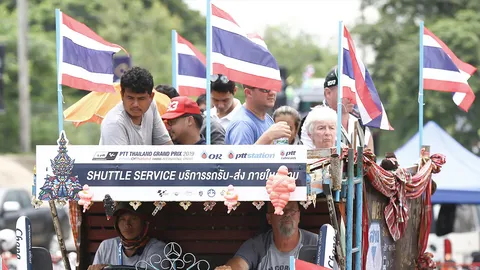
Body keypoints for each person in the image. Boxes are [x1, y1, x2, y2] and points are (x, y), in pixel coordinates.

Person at [215, 202, 318, 270]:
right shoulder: (257, 245)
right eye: (280, 209)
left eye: (292, 210)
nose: (287, 214)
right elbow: (239, 264)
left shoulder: (317, 243)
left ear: (299, 215)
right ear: (269, 218)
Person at [299, 66, 374, 151]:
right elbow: (307, 159)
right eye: (346, 90)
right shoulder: (312, 120)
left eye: (354, 91)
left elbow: (371, 160)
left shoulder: (361, 123)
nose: (352, 97)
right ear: (328, 93)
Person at [100, 67, 173, 145]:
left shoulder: (152, 106)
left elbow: (166, 146)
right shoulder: (114, 123)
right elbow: (122, 157)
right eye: (130, 98)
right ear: (122, 95)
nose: (135, 104)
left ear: (151, 97)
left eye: (141, 98)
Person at [89, 202, 166, 270]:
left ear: (144, 223)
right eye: (122, 219)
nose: (127, 224)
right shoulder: (106, 246)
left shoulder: (159, 249)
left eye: (134, 219)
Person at [225, 85, 291, 145]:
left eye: (274, 88)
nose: (272, 93)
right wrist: (268, 137)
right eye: (265, 90)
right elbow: (241, 157)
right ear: (248, 93)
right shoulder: (242, 124)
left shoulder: (267, 118)